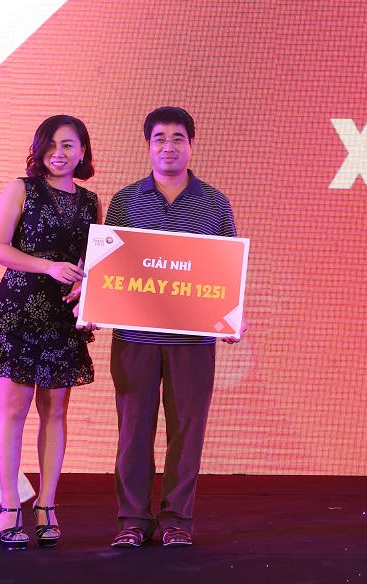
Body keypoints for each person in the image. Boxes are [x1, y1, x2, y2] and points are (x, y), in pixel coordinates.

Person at [103, 107, 242, 549]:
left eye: (177, 138)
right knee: (133, 433)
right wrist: (95, 302)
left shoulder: (215, 202)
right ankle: (133, 521)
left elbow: (226, 270)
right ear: (148, 146)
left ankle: (177, 520)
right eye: (159, 138)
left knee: (187, 431)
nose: (169, 146)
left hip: (193, 340)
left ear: (191, 145)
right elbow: (110, 266)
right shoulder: (125, 200)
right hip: (134, 338)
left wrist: (232, 314)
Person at [0, 115, 100, 549]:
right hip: (19, 311)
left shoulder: (91, 202)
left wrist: (88, 290)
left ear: (82, 152)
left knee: (56, 412)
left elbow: (93, 262)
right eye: (51, 144)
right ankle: (9, 503)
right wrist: (48, 266)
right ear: (39, 148)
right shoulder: (22, 189)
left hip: (61, 317)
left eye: (68, 145)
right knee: (14, 410)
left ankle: (47, 505)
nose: (59, 153)